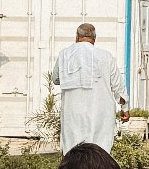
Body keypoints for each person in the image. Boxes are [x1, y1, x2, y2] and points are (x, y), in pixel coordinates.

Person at [52, 23, 127, 154]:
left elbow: (55, 79)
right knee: (99, 149)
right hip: (100, 113)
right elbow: (118, 87)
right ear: (94, 38)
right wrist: (124, 109)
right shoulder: (105, 56)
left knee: (73, 150)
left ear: (77, 37)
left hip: (73, 113)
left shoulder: (64, 55)